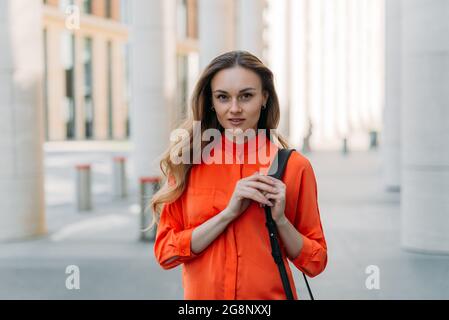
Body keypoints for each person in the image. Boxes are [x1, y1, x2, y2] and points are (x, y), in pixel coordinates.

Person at [150, 50, 327, 300]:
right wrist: (228, 214)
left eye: (246, 96)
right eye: (223, 97)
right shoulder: (189, 163)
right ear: (211, 101)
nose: (235, 109)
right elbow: (166, 253)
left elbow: (316, 261)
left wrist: (281, 221)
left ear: (264, 97)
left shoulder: (295, 167)